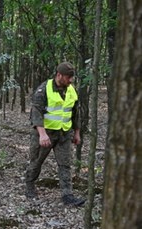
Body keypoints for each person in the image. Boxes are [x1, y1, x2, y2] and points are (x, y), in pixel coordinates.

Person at [25, 61, 85, 206]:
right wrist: (42, 134)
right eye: (68, 77)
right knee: (36, 162)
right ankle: (29, 186)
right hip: (45, 134)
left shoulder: (71, 90)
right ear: (59, 75)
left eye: (72, 77)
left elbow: (75, 113)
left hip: (63, 134)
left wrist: (77, 133)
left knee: (65, 165)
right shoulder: (43, 89)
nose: (70, 80)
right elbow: (36, 113)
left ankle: (67, 195)